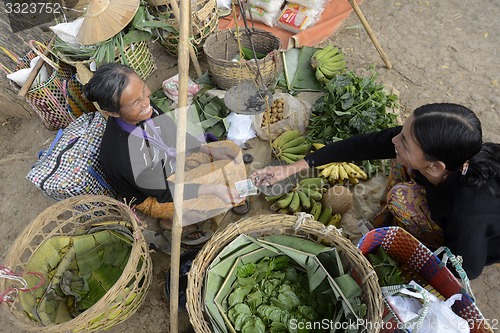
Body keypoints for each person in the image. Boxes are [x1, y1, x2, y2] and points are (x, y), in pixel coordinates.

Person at [251, 103, 500, 279]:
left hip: (480, 241)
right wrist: (292, 168)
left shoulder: (467, 210)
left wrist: (406, 262)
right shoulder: (447, 150)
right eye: (402, 132)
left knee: (402, 198)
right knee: (398, 161)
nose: (395, 140)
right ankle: (393, 221)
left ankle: (422, 237)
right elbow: (363, 146)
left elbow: (467, 269)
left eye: (405, 141)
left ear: (436, 166)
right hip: (449, 198)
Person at [84, 63, 246, 244]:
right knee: (209, 193)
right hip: (154, 195)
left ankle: (204, 196)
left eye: (144, 91)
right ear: (111, 112)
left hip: (166, 162)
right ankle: (172, 220)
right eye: (135, 102)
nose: (146, 103)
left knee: (228, 151)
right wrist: (213, 189)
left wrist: (207, 149)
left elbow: (172, 132)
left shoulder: (144, 108)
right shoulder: (122, 153)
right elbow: (163, 191)